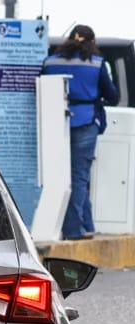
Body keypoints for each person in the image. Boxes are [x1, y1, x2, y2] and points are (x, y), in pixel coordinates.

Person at [43, 24, 119, 240]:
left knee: (59, 175)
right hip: (85, 122)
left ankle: (86, 224)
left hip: (56, 123)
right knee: (79, 177)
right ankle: (73, 230)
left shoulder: (50, 61)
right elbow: (113, 95)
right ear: (91, 42)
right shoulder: (96, 64)